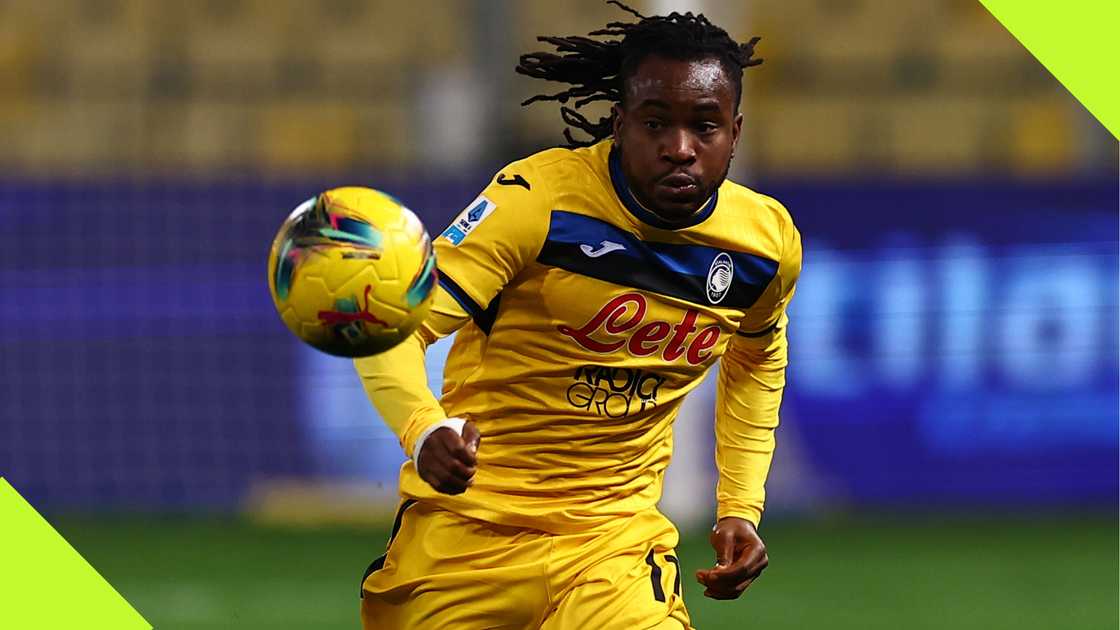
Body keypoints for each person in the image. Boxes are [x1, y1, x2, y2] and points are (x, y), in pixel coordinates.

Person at [354, 3, 801, 628]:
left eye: (705, 127)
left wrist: (739, 506)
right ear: (619, 124)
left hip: (612, 546)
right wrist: (425, 429)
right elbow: (394, 330)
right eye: (655, 124)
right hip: (468, 533)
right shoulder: (536, 205)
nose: (680, 149)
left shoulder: (763, 244)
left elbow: (756, 362)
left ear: (736, 131)